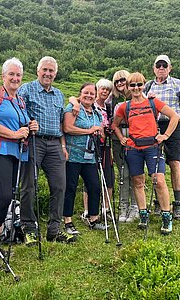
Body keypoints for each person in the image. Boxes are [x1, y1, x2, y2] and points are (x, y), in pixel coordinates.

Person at [0, 57, 38, 271]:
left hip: (15, 154)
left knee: (7, 198)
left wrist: (31, 125)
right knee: (3, 196)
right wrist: (14, 133)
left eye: (18, 75)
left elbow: (20, 126)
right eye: (11, 74)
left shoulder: (19, 101)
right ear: (3, 76)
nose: (15, 78)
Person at [111, 72, 179, 234]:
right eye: (132, 85)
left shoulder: (152, 102)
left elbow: (174, 116)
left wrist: (165, 135)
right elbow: (115, 125)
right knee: (138, 182)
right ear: (128, 87)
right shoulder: (124, 107)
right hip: (133, 149)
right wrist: (121, 138)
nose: (136, 88)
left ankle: (166, 216)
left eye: (139, 84)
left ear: (143, 85)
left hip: (153, 147)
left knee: (159, 180)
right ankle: (143, 214)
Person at [18, 56, 76, 244]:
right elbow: (17, 110)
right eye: (45, 70)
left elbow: (61, 122)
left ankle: (54, 229)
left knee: (59, 185)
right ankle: (29, 228)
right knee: (29, 185)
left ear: (55, 74)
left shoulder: (59, 94)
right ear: (38, 71)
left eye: (51, 71)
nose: (48, 74)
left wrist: (63, 145)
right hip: (34, 141)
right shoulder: (26, 89)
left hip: (54, 144)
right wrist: (27, 122)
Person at [145, 55, 180, 219]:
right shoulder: (147, 86)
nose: (161, 68)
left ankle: (178, 204)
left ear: (170, 68)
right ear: (154, 68)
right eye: (158, 65)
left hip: (172, 126)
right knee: (156, 164)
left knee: (174, 162)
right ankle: (159, 202)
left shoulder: (178, 84)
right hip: (153, 127)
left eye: (165, 65)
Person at [63, 82, 107, 235]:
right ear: (80, 94)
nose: (89, 96)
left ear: (95, 97)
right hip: (73, 155)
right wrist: (89, 131)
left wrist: (99, 133)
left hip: (90, 157)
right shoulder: (73, 108)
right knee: (70, 187)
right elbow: (67, 128)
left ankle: (93, 219)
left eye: (92, 94)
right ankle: (67, 221)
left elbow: (100, 132)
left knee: (94, 186)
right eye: (86, 93)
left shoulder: (97, 113)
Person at [71, 79, 115, 222]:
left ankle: (97, 214)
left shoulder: (104, 108)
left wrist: (103, 132)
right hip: (79, 150)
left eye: (107, 90)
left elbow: (102, 129)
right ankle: (82, 213)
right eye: (102, 89)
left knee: (97, 181)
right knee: (79, 183)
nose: (105, 92)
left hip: (99, 147)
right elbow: (67, 126)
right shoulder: (81, 105)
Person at [105, 70, 139, 223]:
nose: (120, 83)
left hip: (135, 139)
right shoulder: (110, 100)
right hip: (118, 140)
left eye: (122, 80)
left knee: (135, 174)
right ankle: (123, 207)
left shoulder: (138, 96)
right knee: (123, 174)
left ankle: (135, 207)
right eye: (116, 81)